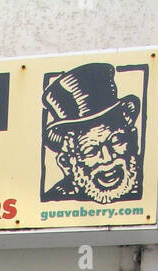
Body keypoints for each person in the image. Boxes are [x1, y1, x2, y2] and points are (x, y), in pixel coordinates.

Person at [42, 62, 141, 206]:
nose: (107, 158)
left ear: (133, 139)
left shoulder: (150, 184)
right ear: (67, 163)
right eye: (91, 150)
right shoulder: (55, 201)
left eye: (116, 141)